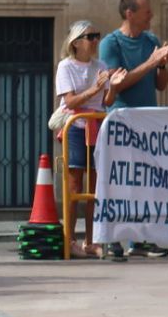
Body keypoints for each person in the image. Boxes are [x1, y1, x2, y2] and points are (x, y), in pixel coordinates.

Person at [100, 0, 168, 260]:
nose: (151, 16)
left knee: (146, 182)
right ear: (130, 14)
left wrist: (162, 66)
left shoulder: (151, 40)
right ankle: (115, 238)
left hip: (148, 121)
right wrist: (150, 62)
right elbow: (118, 82)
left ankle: (143, 239)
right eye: (147, 12)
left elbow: (160, 84)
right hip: (121, 120)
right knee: (120, 181)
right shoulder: (111, 44)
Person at [53, 21, 124, 259]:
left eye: (97, 36)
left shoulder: (100, 65)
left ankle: (91, 241)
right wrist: (96, 88)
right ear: (76, 42)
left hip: (96, 126)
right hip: (76, 127)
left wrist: (112, 87)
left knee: (95, 187)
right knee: (74, 186)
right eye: (90, 36)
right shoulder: (66, 66)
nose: (95, 41)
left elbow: (107, 101)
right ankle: (70, 239)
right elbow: (71, 102)